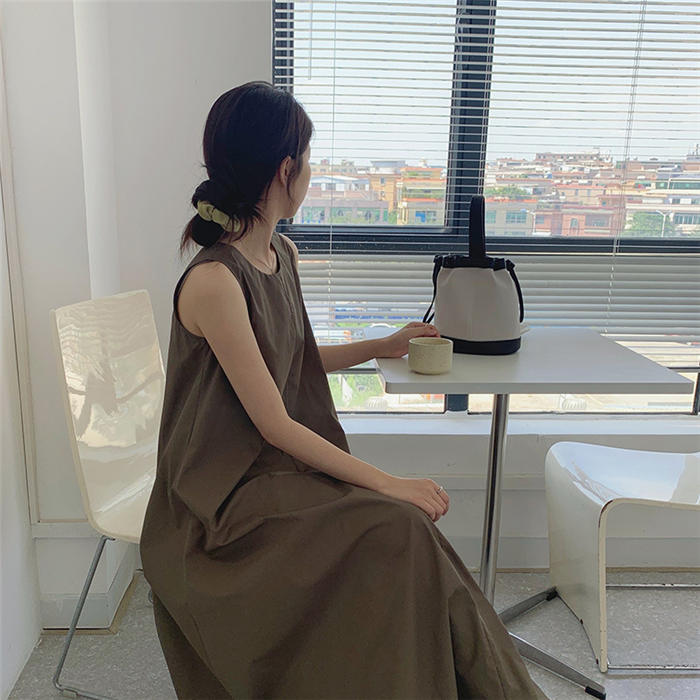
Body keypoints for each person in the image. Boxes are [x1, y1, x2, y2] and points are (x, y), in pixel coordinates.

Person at [140, 80, 546, 699]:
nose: (310, 173)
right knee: (400, 527)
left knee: (407, 539)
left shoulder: (281, 253)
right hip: (217, 503)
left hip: (270, 473)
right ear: (286, 169)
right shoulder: (215, 282)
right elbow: (274, 420)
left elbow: (293, 360)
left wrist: (381, 344)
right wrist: (386, 481)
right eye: (308, 159)